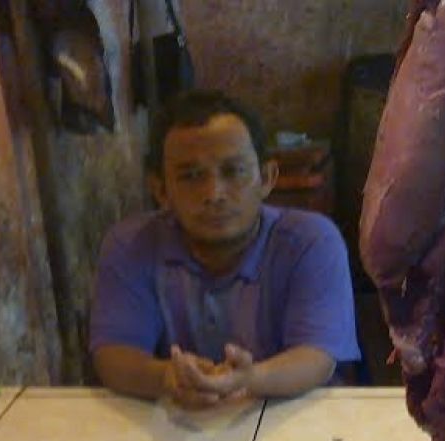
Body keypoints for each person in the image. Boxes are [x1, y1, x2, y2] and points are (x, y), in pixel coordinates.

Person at [88, 90, 361, 409]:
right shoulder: (130, 245)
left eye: (233, 172)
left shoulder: (311, 241)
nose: (214, 193)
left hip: (295, 421)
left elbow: (317, 356)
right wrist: (168, 378)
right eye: (190, 176)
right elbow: (113, 354)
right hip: (185, 429)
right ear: (161, 190)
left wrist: (249, 379)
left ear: (267, 178)